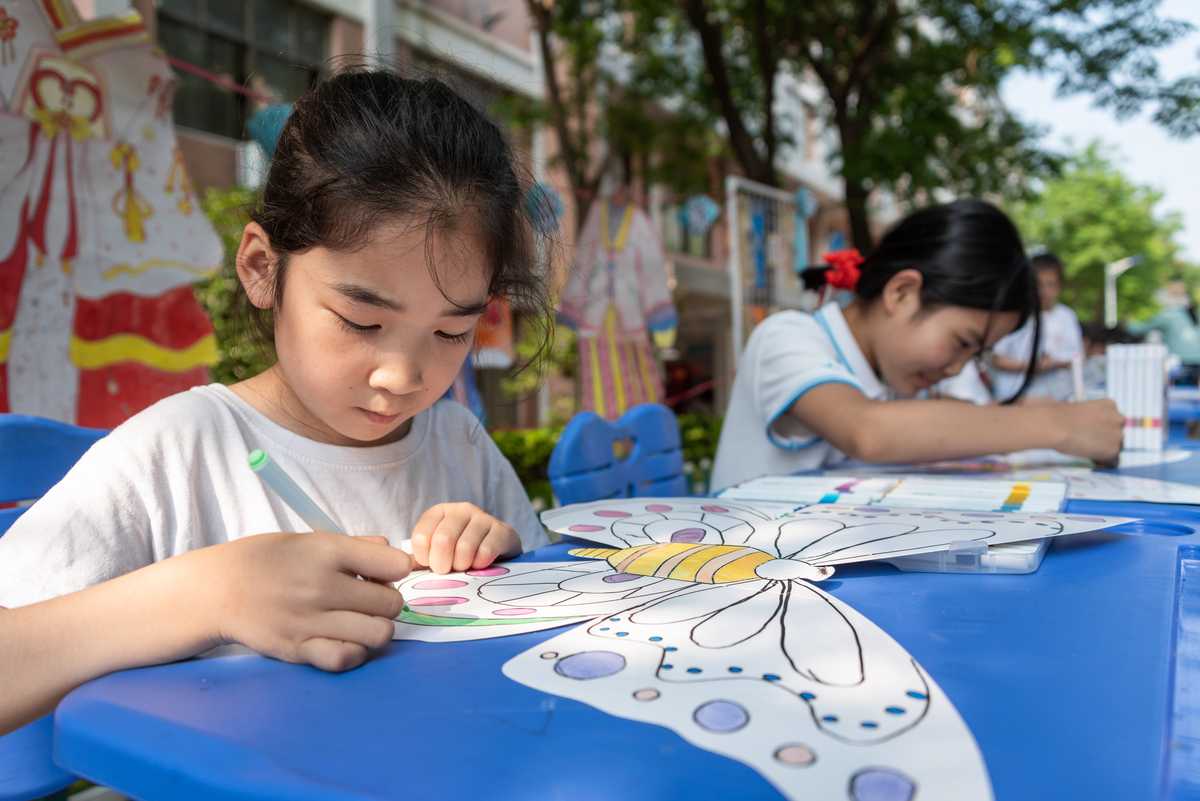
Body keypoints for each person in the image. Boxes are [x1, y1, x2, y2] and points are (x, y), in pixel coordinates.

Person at [0, 70, 551, 735]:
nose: (403, 375)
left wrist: (501, 561)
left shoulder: (457, 442)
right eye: (361, 321)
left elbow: (549, 640)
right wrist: (211, 594)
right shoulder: (180, 450)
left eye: (449, 332)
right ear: (263, 268)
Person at [710, 201, 1124, 491]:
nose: (957, 368)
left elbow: (936, 426)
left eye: (974, 355)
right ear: (903, 293)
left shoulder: (888, 373)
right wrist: (1061, 426)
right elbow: (868, 431)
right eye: (962, 342)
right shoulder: (787, 336)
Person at [989, 253, 1084, 400]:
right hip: (1013, 396)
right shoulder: (1013, 314)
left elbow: (1077, 357)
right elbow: (997, 359)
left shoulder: (1066, 316)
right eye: (1039, 284)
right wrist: (1032, 366)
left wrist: (1054, 362)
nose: (1045, 292)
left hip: (1054, 397)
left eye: (1051, 285)